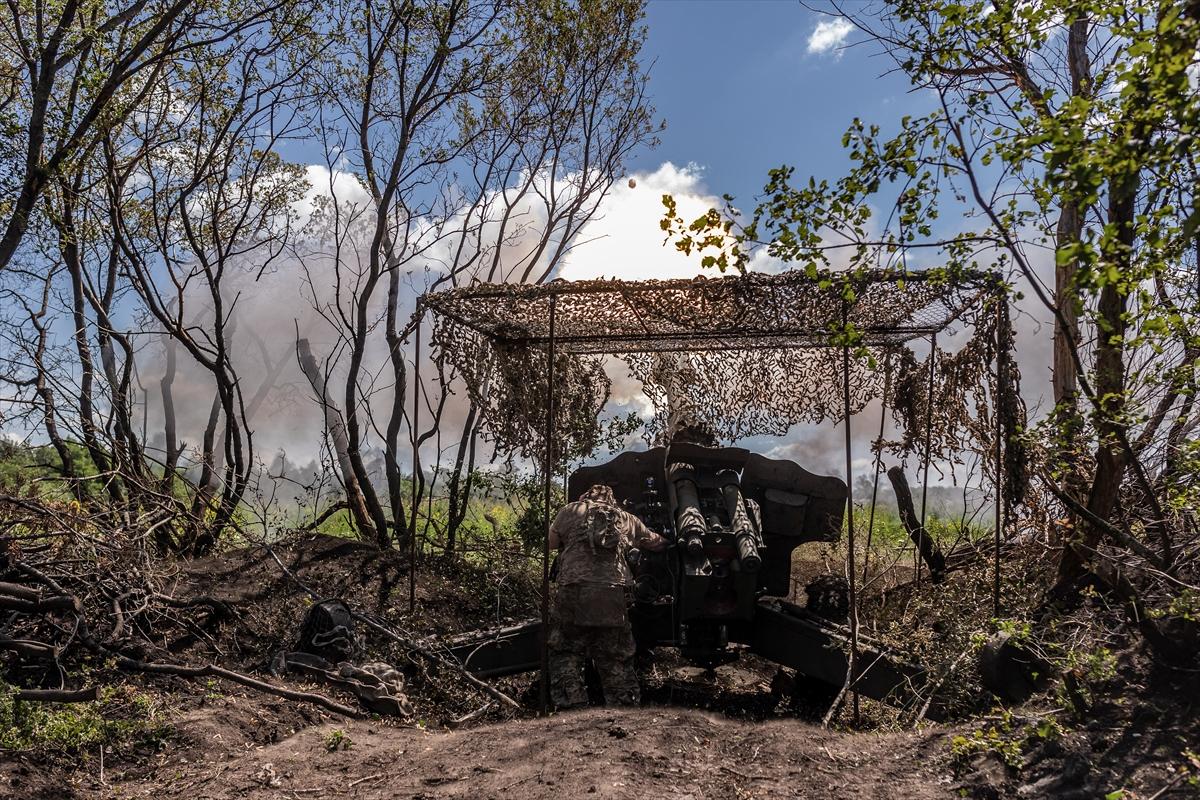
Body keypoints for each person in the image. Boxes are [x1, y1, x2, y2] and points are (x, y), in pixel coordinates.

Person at [547, 483, 668, 709]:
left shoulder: (570, 510)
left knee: (566, 650)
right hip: (612, 593)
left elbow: (551, 544)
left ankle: (571, 705)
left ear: (585, 496)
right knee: (616, 654)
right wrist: (669, 541)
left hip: (574, 588)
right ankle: (623, 706)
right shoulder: (626, 518)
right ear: (612, 501)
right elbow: (655, 543)